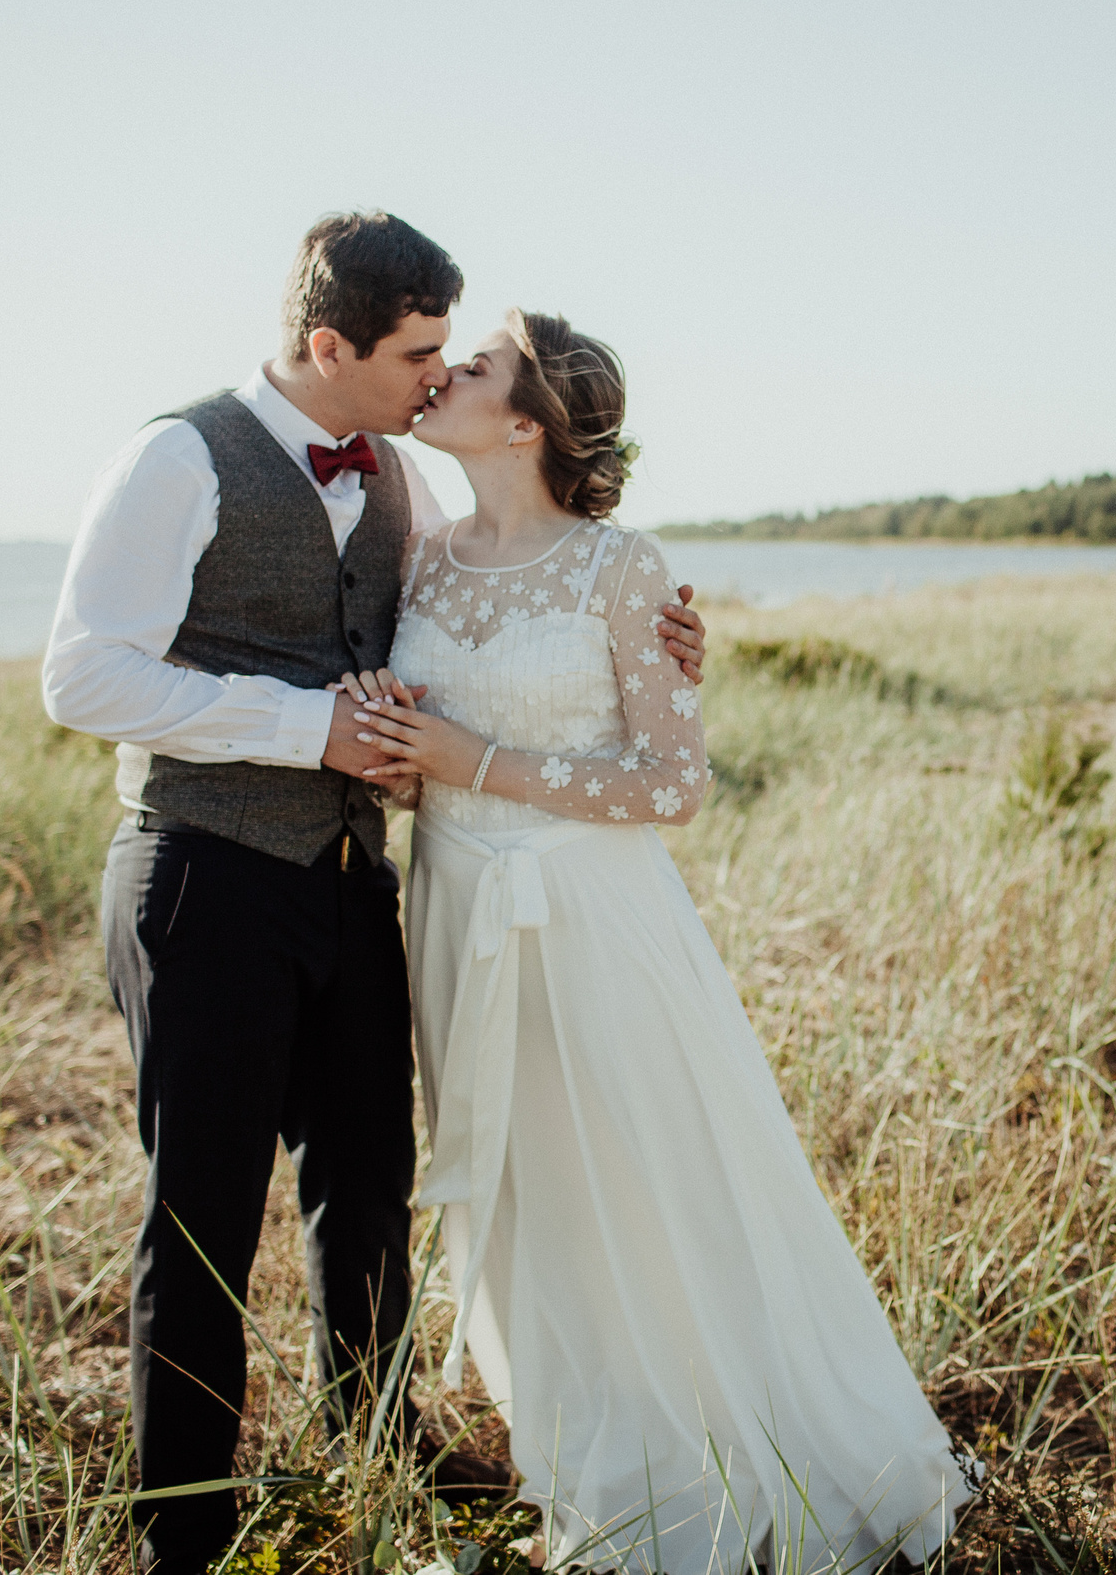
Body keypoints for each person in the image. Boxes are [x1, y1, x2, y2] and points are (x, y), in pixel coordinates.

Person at [41, 214, 709, 1575]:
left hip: (356, 883)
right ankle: (185, 1533)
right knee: (202, 1212)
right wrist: (311, 730)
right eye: (415, 354)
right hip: (204, 875)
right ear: (328, 344)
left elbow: (490, 631)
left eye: (448, 352)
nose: (435, 374)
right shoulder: (177, 457)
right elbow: (83, 675)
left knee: (368, 1186)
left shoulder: (403, 482)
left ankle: (377, 1454)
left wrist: (653, 644)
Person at [336, 310, 972, 1573]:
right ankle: (586, 1463)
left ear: (526, 424)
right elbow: (428, 752)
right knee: (521, 1190)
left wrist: (476, 760)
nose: (444, 373)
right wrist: (403, 756)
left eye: (476, 366)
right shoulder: (421, 555)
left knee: (639, 1178)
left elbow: (671, 784)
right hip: (456, 906)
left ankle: (712, 1467)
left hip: (588, 917)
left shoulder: (623, 569)